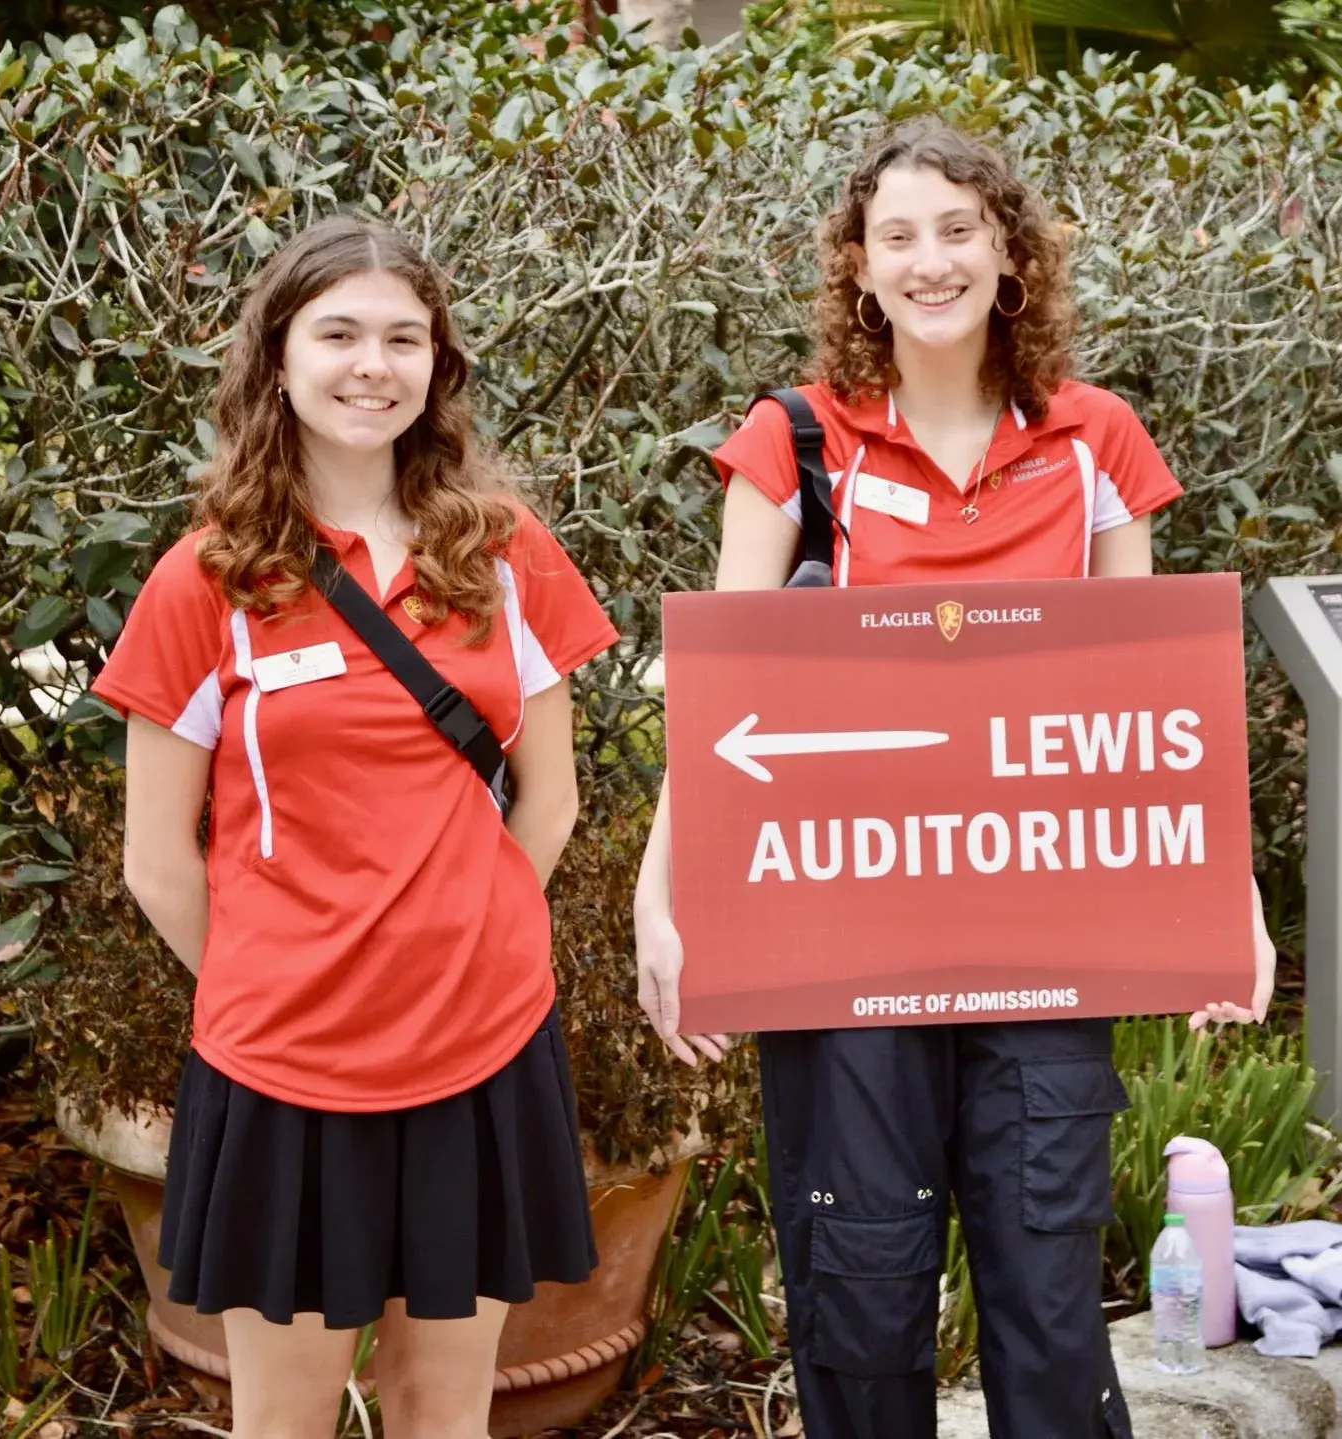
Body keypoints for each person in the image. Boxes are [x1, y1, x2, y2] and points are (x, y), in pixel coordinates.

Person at [632, 117, 1277, 1439]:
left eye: (957, 230)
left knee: (1046, 1287)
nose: (929, 261)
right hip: (840, 942)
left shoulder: (1093, 437)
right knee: (862, 1286)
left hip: (1041, 938)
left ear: (1008, 253)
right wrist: (662, 897)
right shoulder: (795, 441)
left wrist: (1232, 905)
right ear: (859, 269)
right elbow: (716, 700)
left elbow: (1147, 701)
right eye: (897, 237)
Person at [91, 216, 618, 1439]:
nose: (371, 365)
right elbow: (156, 859)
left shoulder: (505, 554)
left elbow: (549, 800)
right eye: (337, 334)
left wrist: (462, 932)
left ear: (438, 364)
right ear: (277, 358)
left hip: (483, 1045)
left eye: (402, 338)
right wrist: (282, 972)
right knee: (284, 1416)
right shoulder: (208, 578)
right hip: (284, 1065)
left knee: (445, 1407)